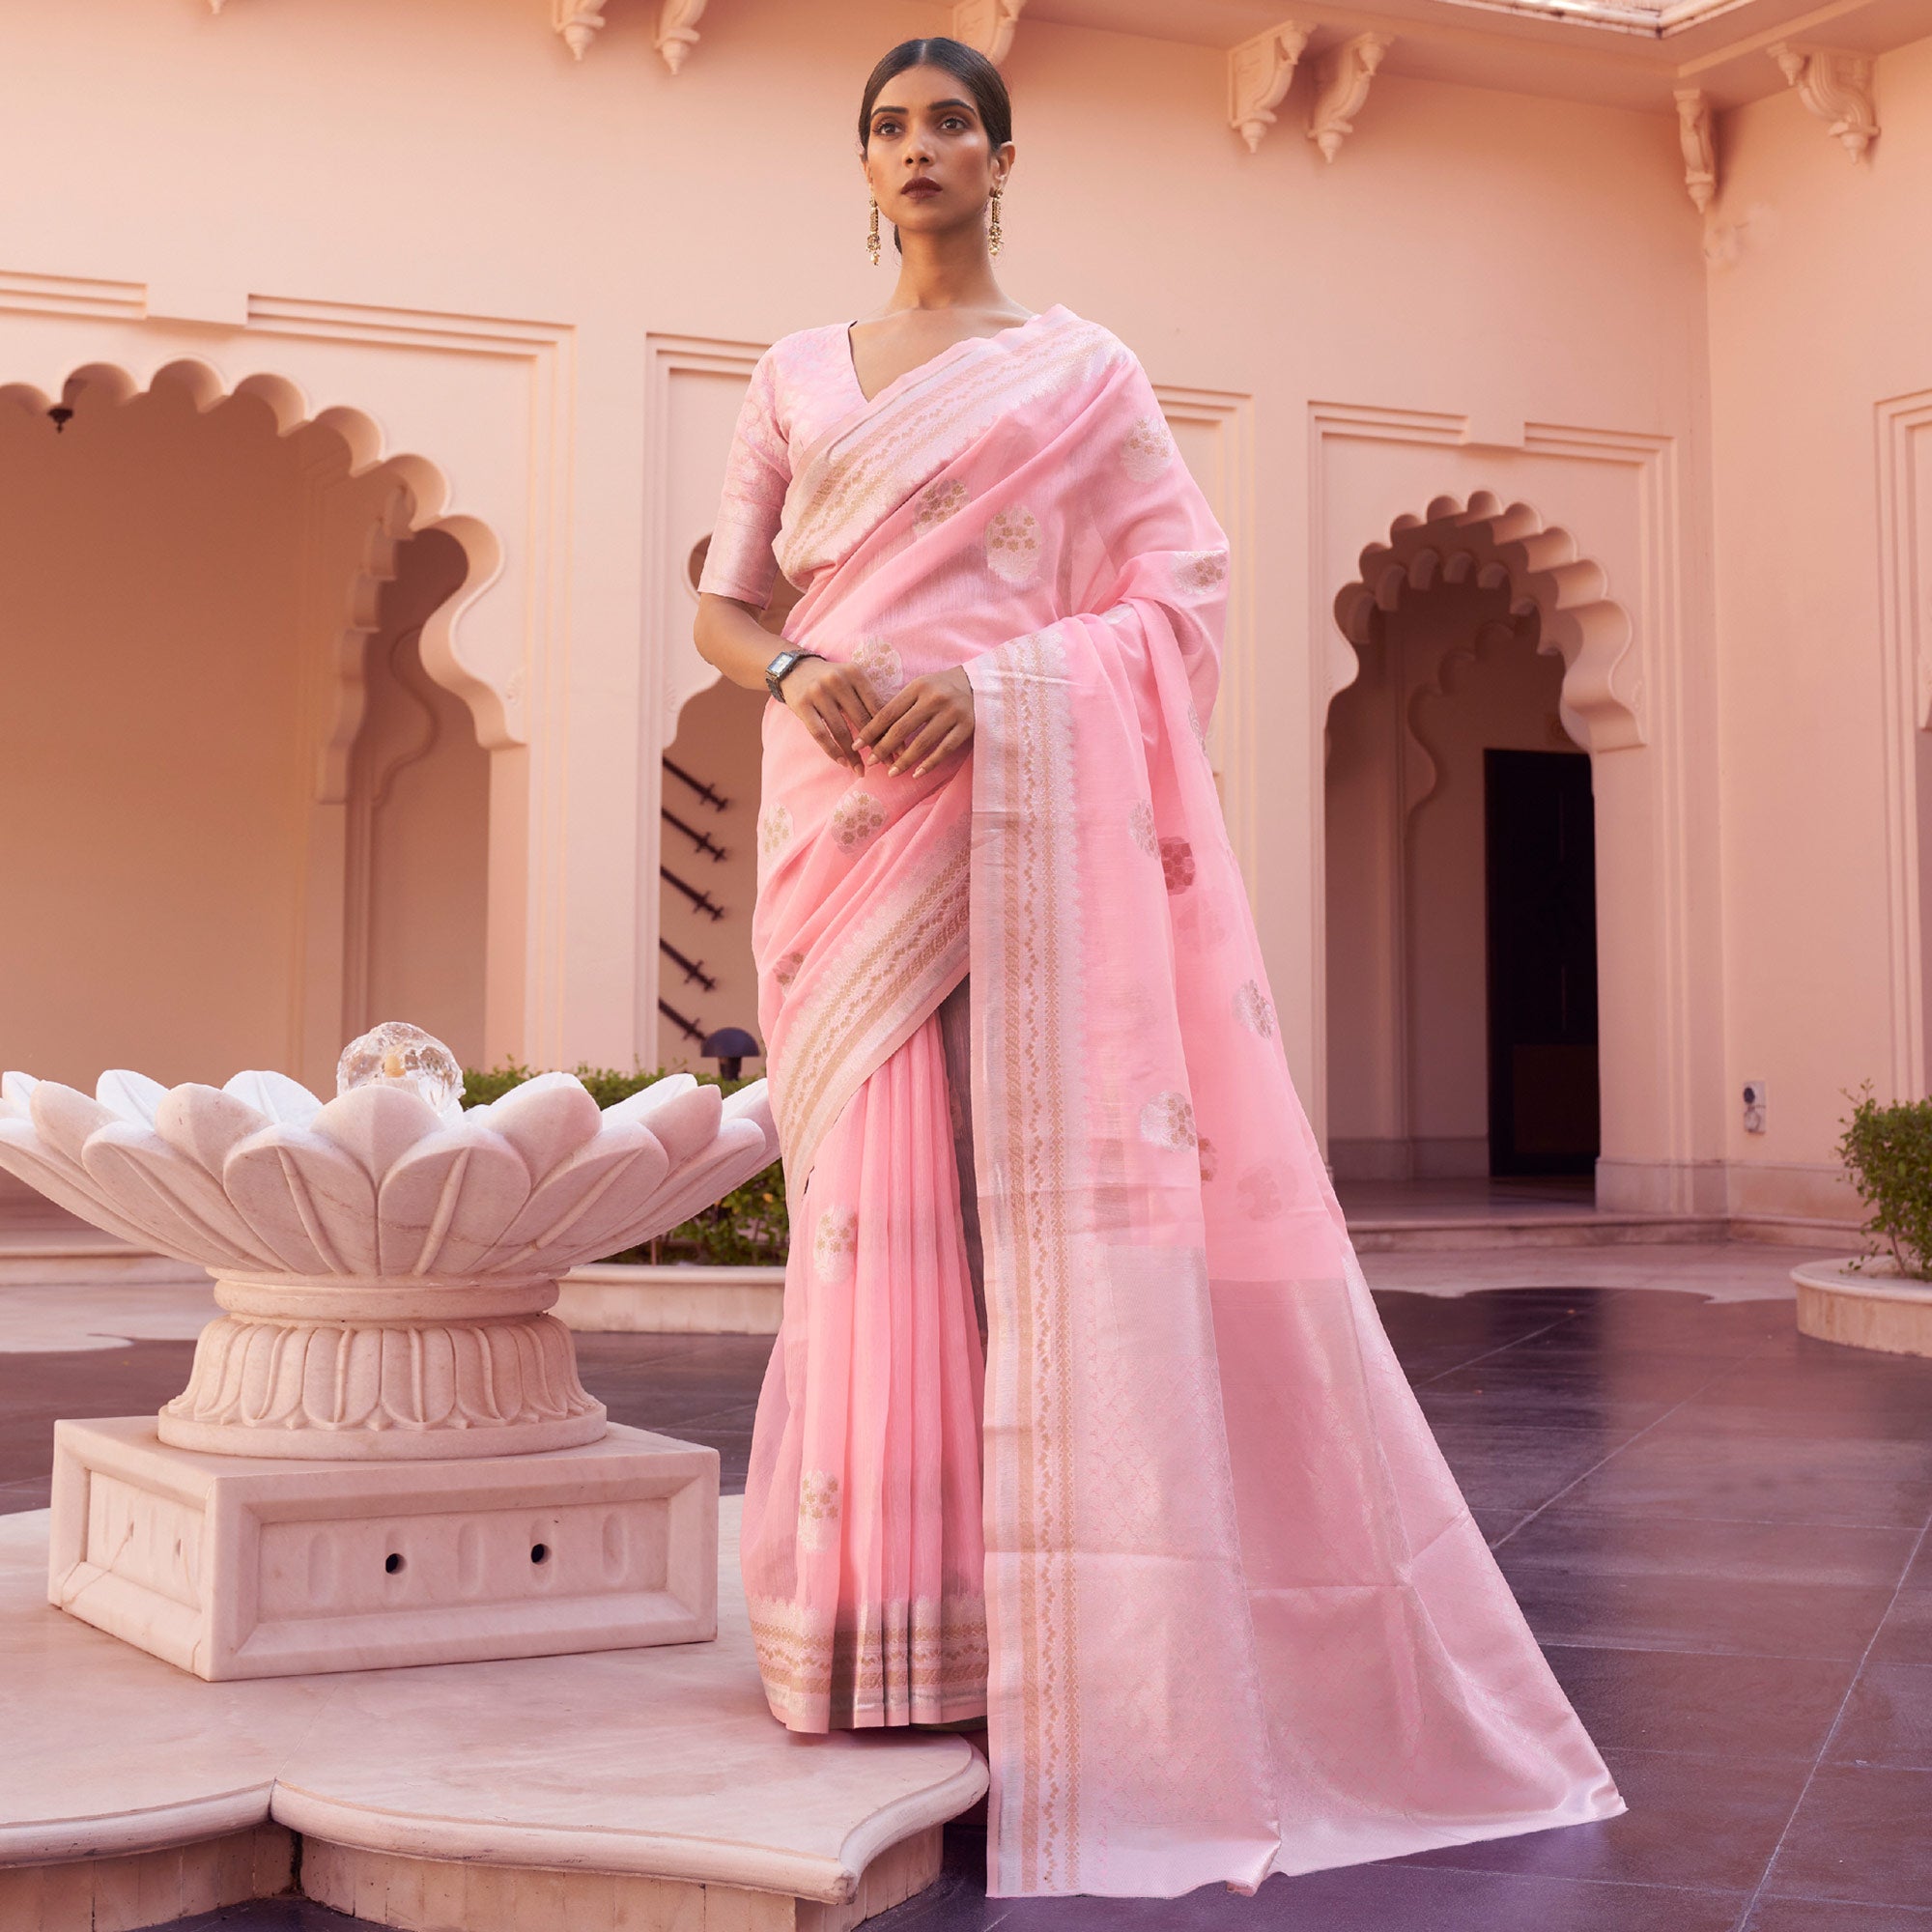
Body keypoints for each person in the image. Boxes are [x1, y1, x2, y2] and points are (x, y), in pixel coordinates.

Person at [692, 33, 1623, 1902]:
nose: (920, 147)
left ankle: (1037, 1627)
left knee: (1010, 1215)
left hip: (1010, 818)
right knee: (868, 1215)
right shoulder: (793, 374)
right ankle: (880, 1622)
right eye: (890, 126)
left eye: (952, 122)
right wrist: (801, 673)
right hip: (839, 829)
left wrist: (998, 697)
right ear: (862, 167)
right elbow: (727, 605)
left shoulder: (1081, 375)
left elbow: (1177, 596)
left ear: (1001, 156)